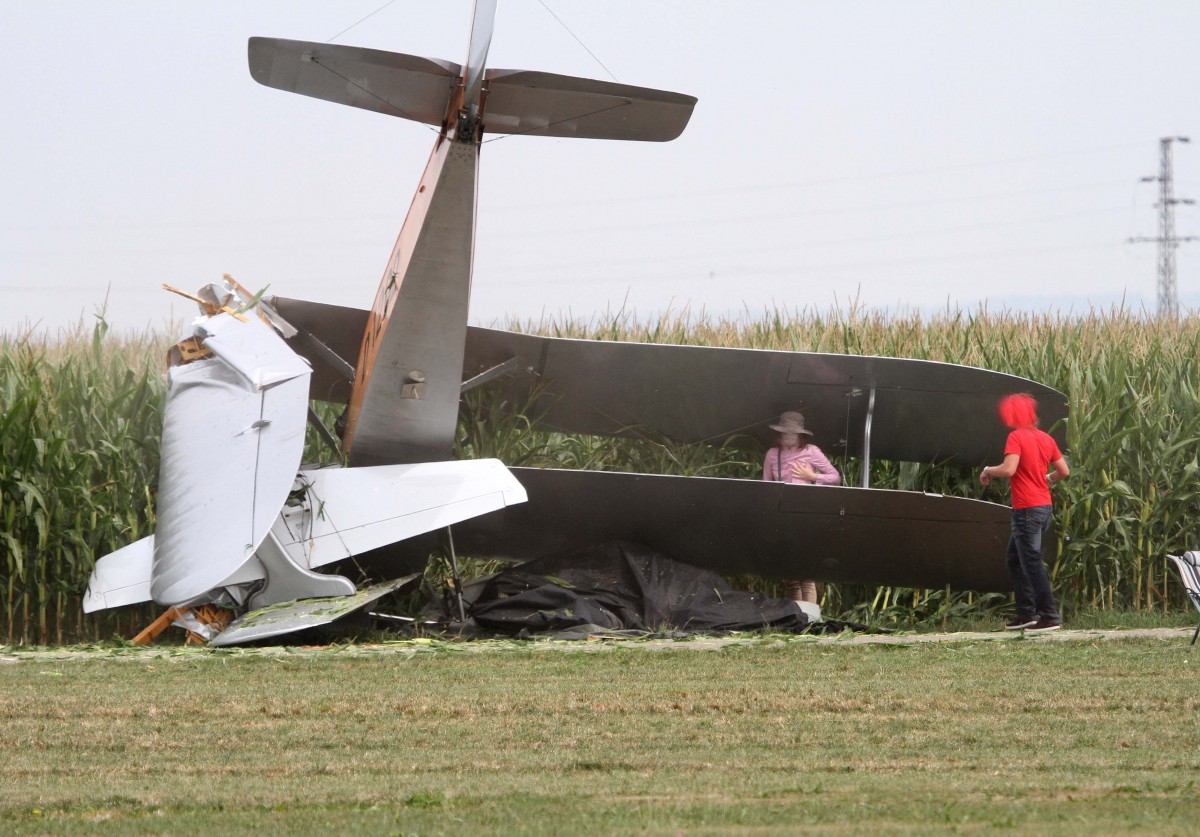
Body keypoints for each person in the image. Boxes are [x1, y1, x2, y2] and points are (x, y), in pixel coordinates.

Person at [979, 393, 1070, 633]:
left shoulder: (1016, 437)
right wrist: (1048, 478)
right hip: (1043, 508)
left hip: (1027, 510)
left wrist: (987, 470)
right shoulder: (1045, 439)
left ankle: (1049, 616)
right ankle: (1027, 614)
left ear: (1012, 416)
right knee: (1015, 559)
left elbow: (1009, 469)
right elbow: (1064, 471)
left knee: (1030, 562)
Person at [763, 411, 841, 606]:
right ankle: (795, 620)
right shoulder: (772, 455)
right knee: (789, 575)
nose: (786, 437)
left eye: (790, 433)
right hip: (783, 516)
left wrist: (813, 476)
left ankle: (810, 620)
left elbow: (835, 477)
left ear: (800, 435)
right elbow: (765, 487)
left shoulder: (812, 451)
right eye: (783, 433)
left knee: (806, 574)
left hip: (806, 514)